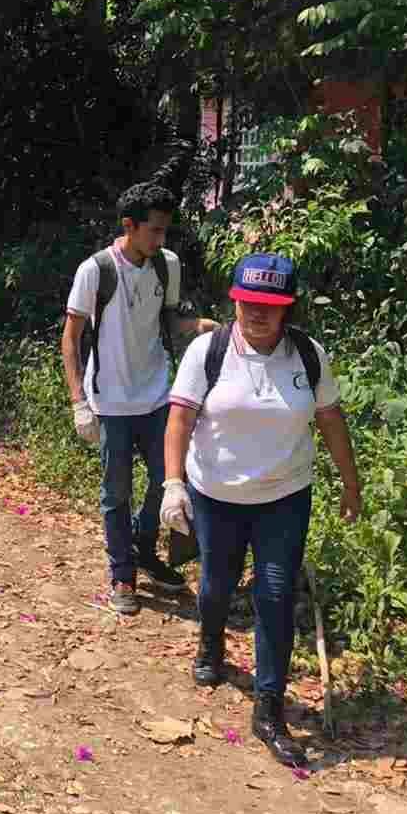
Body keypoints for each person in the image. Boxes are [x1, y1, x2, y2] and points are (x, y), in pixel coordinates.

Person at [161, 252, 361, 768]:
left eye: (270, 305)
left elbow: (332, 420)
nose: (257, 313)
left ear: (288, 308)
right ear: (235, 301)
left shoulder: (307, 357)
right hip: (216, 496)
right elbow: (180, 419)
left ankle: (268, 706)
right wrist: (172, 483)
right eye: (248, 302)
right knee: (215, 586)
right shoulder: (209, 351)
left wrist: (350, 483)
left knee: (275, 594)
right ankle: (211, 644)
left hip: (285, 497)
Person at [61, 182, 216, 615]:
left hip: (156, 394)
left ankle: (144, 548)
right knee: (115, 491)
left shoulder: (167, 265)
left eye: (166, 231)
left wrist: (195, 325)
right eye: (155, 230)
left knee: (165, 480)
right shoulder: (96, 270)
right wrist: (79, 401)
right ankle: (122, 573)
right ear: (129, 226)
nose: (161, 239)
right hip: (110, 401)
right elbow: (70, 339)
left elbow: (166, 318)